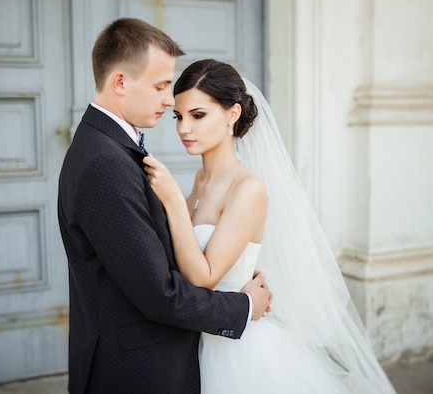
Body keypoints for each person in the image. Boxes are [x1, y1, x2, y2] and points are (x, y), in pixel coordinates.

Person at [143, 59, 397, 393]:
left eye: (198, 115)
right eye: (178, 116)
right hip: (197, 335)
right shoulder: (201, 179)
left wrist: (173, 203)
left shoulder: (248, 188)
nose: (183, 129)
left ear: (232, 114)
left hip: (237, 351)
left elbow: (205, 276)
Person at [57, 19, 272, 394]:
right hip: (136, 370)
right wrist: (243, 307)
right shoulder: (105, 162)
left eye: (196, 113)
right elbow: (160, 293)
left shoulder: (109, 148)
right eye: (160, 87)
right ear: (121, 82)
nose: (170, 101)